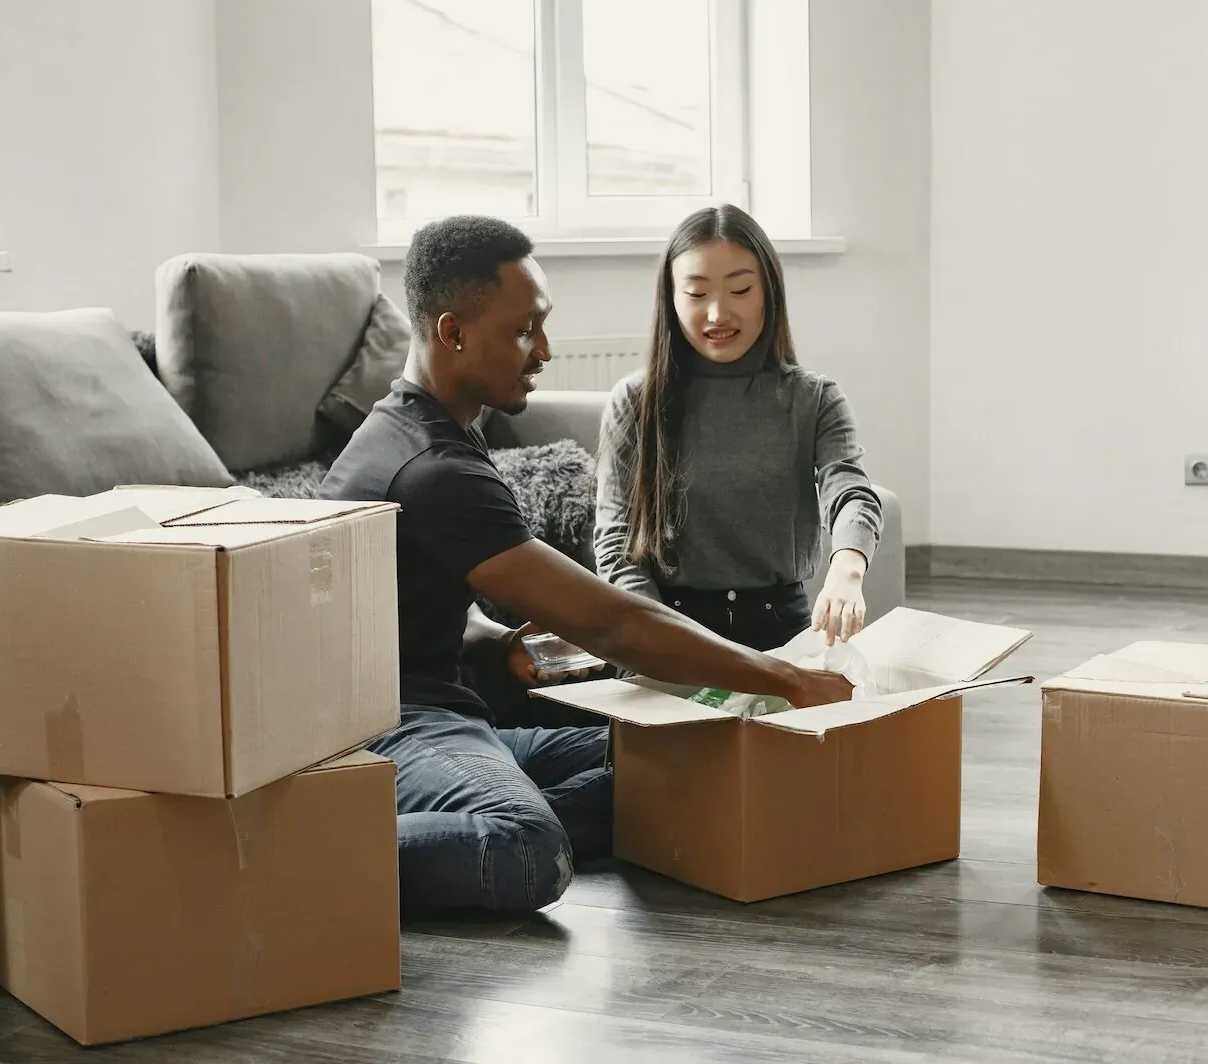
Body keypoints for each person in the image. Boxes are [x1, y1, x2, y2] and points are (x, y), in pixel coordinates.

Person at [318, 215, 852, 915]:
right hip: (399, 726)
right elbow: (614, 622)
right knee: (526, 848)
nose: (543, 350)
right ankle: (299, 850)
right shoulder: (434, 466)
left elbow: (413, 591)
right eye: (523, 331)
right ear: (452, 333)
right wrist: (784, 678)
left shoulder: (425, 427)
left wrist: (494, 639)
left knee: (681, 767)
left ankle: (470, 809)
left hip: (448, 715)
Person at [594, 204, 884, 653]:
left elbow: (850, 492)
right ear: (670, 299)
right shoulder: (634, 401)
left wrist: (847, 571)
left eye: (740, 289)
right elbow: (616, 544)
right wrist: (659, 644)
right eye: (695, 294)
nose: (717, 314)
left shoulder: (814, 398)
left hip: (782, 633)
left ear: (768, 290)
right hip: (666, 631)